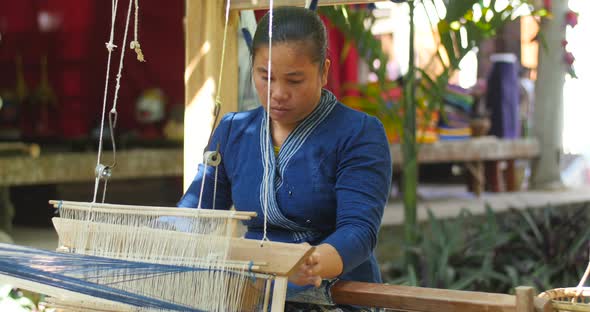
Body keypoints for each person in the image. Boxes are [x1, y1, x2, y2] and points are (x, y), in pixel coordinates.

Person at [178, 6, 392, 310]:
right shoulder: (233, 131)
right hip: (255, 291)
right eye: (266, 77)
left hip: (334, 295)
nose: (277, 93)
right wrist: (157, 235)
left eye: (294, 80)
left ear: (324, 72)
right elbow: (199, 210)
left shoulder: (358, 133)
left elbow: (359, 230)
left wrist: (312, 263)